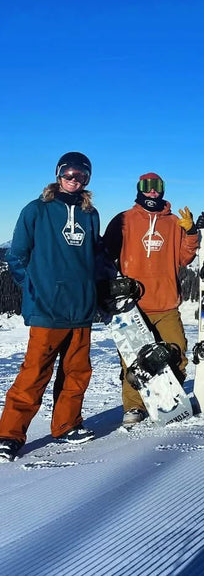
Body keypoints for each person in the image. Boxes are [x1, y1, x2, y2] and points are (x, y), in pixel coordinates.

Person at [0, 152, 112, 462]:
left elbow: (96, 258)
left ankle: (67, 425)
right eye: (69, 174)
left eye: (81, 176)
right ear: (58, 175)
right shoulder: (37, 210)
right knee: (34, 373)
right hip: (48, 310)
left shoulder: (91, 214)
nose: (74, 180)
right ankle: (9, 435)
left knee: (77, 373)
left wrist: (100, 293)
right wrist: (36, 290)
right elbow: (17, 257)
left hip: (82, 309)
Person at [103, 172, 199, 426]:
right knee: (132, 359)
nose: (152, 191)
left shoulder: (174, 222)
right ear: (139, 189)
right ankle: (134, 406)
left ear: (163, 189)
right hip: (132, 306)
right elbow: (104, 255)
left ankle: (170, 397)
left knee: (176, 350)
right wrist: (110, 287)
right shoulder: (124, 219)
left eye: (157, 186)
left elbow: (184, 258)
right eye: (147, 186)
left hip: (166, 301)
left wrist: (191, 233)